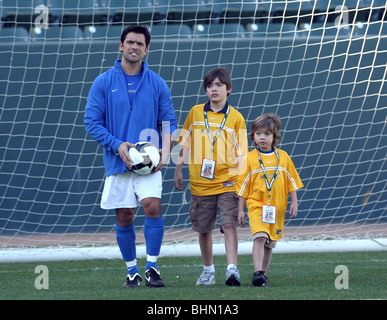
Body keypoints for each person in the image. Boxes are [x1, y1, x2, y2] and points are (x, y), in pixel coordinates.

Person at [84, 25, 177, 288]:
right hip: (117, 161)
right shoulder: (103, 82)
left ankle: (152, 268)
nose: (135, 47)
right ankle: (132, 272)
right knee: (124, 216)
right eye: (130, 42)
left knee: (153, 207)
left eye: (140, 44)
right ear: (121, 46)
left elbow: (168, 120)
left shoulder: (157, 82)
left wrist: (165, 152)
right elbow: (91, 122)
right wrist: (117, 145)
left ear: (147, 49)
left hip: (150, 164)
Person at [174, 68, 248, 286]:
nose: (214, 89)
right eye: (209, 86)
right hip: (200, 183)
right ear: (205, 90)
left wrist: (241, 181)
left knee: (229, 224)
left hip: (227, 182)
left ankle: (232, 269)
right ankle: (208, 271)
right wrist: (178, 168)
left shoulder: (236, 118)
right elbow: (185, 143)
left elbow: (242, 153)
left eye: (218, 85)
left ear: (229, 89)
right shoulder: (195, 112)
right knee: (204, 228)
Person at [236, 113, 303, 286]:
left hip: (276, 208)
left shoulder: (283, 157)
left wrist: (294, 202)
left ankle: (263, 275)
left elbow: (291, 182)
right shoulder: (249, 159)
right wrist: (240, 210)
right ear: (253, 136)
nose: (262, 138)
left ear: (274, 136)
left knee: (269, 243)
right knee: (260, 237)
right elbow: (243, 188)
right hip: (256, 206)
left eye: (267, 134)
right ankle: (257, 272)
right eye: (258, 134)